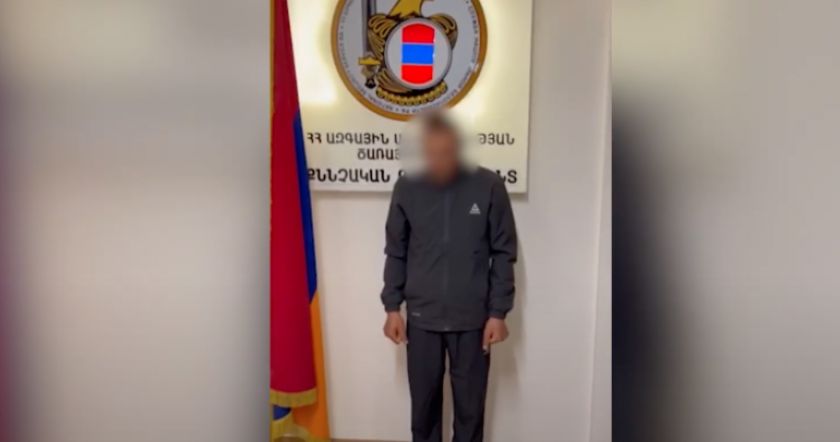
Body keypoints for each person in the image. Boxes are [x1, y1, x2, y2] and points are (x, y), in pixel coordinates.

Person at [380, 110, 518, 442]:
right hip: (421, 319)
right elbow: (396, 250)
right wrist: (392, 308)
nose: (438, 161)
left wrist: (498, 313)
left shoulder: (488, 186)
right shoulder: (407, 187)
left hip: (472, 321)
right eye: (431, 153)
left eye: (446, 153)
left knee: (470, 410)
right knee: (424, 409)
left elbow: (503, 252)